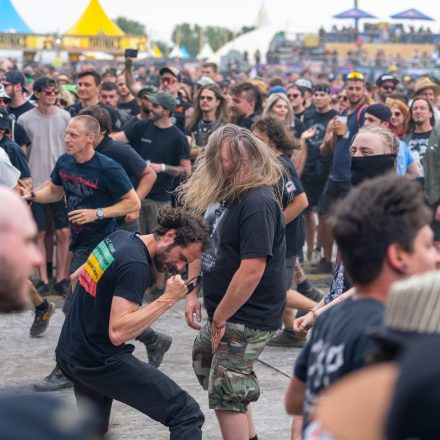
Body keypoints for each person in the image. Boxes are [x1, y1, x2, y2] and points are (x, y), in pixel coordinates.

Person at [285, 174, 439, 431]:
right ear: (398, 257)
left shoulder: (331, 318)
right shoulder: (387, 332)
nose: (436, 257)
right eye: (427, 246)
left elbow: (294, 401)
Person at [56, 207, 210, 438]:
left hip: (70, 353)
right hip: (97, 361)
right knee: (186, 413)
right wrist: (168, 298)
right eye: (181, 258)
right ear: (170, 235)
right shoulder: (136, 265)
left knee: (94, 430)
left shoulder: (119, 238)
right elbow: (118, 332)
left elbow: (76, 278)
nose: (178, 267)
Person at [179, 124, 286, 440]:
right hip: (224, 310)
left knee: (227, 389)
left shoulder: (258, 202)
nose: (235, 165)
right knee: (208, 365)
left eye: (238, 159)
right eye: (226, 159)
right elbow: (200, 242)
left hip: (248, 314)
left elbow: (252, 270)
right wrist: (192, 292)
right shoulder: (222, 193)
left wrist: (221, 317)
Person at [22, 115, 140, 391]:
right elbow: (54, 191)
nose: (66, 139)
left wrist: (97, 213)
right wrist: (33, 196)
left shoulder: (108, 167)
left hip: (103, 245)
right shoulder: (65, 162)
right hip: (81, 243)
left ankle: (65, 369)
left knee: (74, 307)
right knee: (97, 307)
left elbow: (132, 203)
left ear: (91, 138)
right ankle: (154, 339)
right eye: (66, 134)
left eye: (73, 135)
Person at [253, 116, 313, 348]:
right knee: (279, 285)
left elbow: (301, 201)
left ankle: (322, 310)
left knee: (279, 291)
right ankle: (292, 332)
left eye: (259, 138)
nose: (254, 143)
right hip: (278, 238)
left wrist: (275, 226)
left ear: (272, 140)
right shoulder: (268, 163)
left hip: (286, 238)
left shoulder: (283, 166)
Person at [18, 76, 71, 296]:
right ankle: (43, 278)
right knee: (39, 233)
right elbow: (22, 154)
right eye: (48, 92)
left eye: (54, 91)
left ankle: (61, 278)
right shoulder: (24, 120)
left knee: (63, 232)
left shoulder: (65, 117)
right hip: (36, 186)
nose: (52, 95)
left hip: (60, 184)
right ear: (37, 93)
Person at [318, 71, 368, 273]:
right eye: (351, 88)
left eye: (358, 88)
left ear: (364, 90)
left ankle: (348, 266)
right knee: (325, 217)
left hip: (351, 177)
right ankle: (326, 261)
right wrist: (332, 133)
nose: (354, 92)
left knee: (349, 223)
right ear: (345, 89)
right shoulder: (343, 113)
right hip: (335, 175)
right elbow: (330, 149)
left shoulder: (364, 112)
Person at [301, 84, 337, 266]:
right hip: (308, 168)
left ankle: (320, 250)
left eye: (322, 94)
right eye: (316, 94)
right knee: (306, 212)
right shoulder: (308, 115)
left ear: (329, 97)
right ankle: (309, 250)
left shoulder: (335, 116)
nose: (318, 98)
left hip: (326, 169)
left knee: (324, 214)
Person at [403, 96, 440, 247]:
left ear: (430, 113)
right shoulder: (405, 139)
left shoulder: (438, 137)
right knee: (413, 241)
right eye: (415, 108)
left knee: (436, 242)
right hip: (410, 198)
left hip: (433, 196)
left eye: (422, 108)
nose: (418, 111)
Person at [362, 103, 419, 178]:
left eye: (371, 120)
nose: (365, 123)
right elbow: (415, 172)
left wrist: (397, 182)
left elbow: (415, 172)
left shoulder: (401, 145)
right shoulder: (401, 144)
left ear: (385, 124)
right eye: (365, 119)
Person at [185, 83, 229, 158]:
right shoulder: (191, 125)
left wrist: (195, 150)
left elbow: (217, 153)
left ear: (217, 102)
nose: (204, 101)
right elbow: (184, 151)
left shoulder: (223, 128)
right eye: (202, 98)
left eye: (209, 98)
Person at [159, 66, 192, 132]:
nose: (165, 84)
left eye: (169, 80)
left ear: (179, 85)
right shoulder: (154, 105)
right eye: (163, 80)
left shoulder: (187, 109)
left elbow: (189, 134)